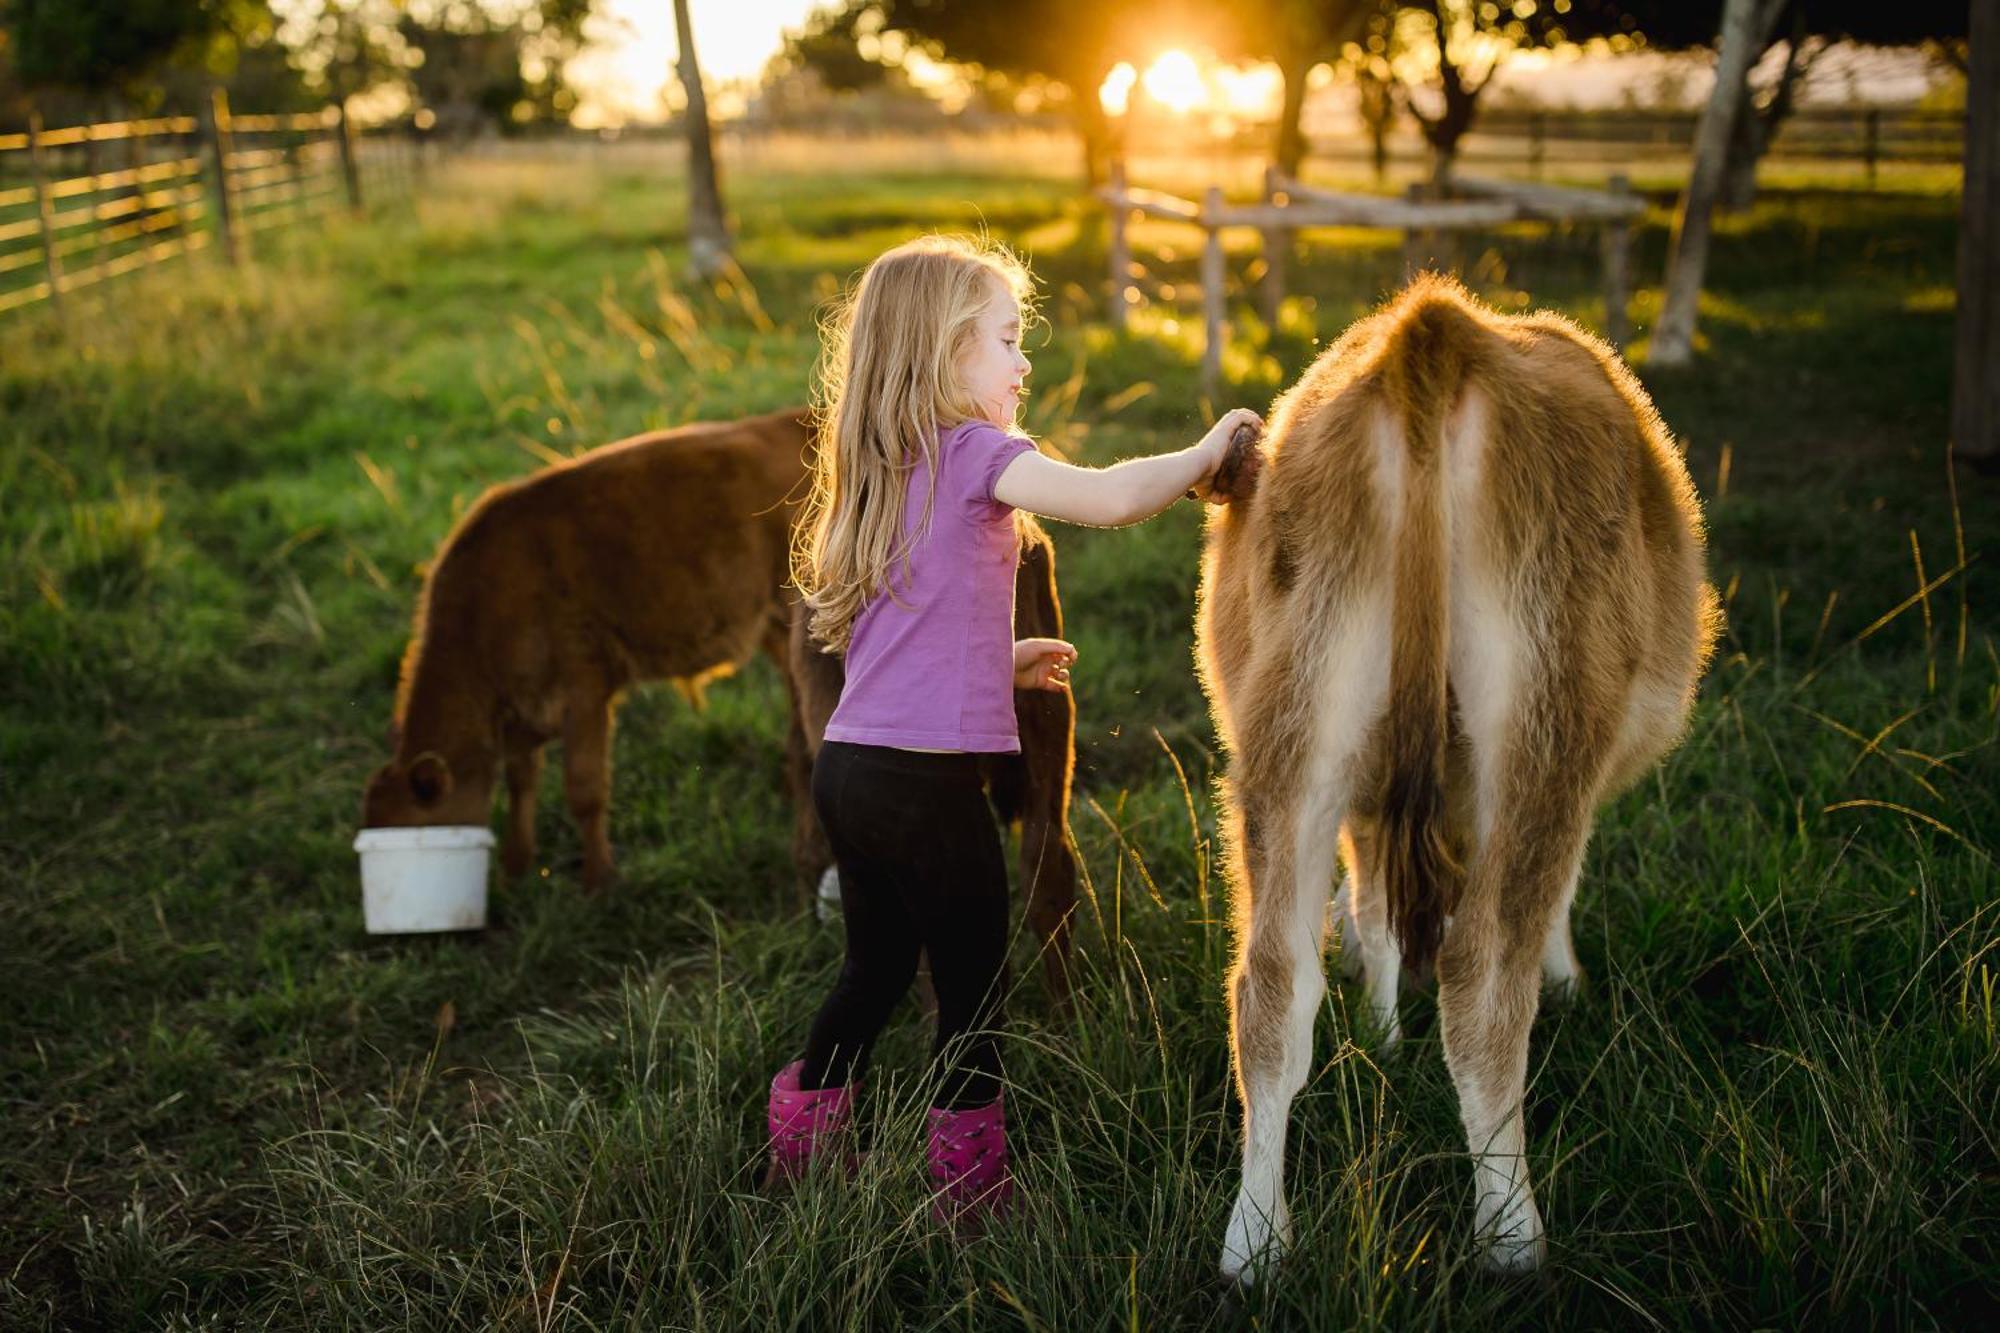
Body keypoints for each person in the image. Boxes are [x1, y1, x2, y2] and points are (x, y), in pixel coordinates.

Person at [772, 232, 1262, 1226]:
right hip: (924, 790)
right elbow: (1114, 497)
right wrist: (1209, 450)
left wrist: (1002, 664)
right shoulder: (975, 454)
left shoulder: (876, 470)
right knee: (975, 989)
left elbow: (896, 649)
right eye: (1005, 339)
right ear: (945, 356)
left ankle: (801, 1134)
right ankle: (968, 1189)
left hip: (852, 774)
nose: (1022, 360)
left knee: (870, 969)